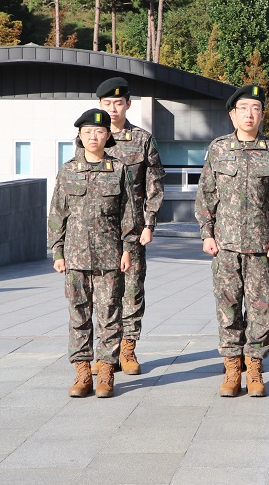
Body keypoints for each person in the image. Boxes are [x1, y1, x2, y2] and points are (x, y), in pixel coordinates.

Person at [195, 84, 269, 397]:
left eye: (255, 109)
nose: (249, 115)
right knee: (228, 308)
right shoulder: (219, 149)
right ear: (232, 115)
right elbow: (206, 193)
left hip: (262, 246)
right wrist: (207, 233)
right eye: (243, 109)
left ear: (262, 115)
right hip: (225, 246)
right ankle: (231, 368)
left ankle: (254, 367)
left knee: (261, 308)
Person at [48, 108, 140, 399]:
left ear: (108, 135)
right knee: (78, 315)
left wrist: (128, 249)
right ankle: (82, 373)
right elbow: (57, 213)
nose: (93, 137)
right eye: (87, 132)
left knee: (109, 315)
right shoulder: (68, 170)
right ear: (79, 135)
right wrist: (57, 251)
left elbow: (129, 214)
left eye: (99, 132)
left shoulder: (119, 170)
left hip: (109, 256)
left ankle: (107, 371)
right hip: (76, 257)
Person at [95, 77, 165, 375]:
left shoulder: (142, 139)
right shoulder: (91, 136)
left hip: (132, 229)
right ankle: (105, 352)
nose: (112, 109)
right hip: (99, 230)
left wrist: (150, 223)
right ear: (100, 105)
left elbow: (154, 183)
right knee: (103, 293)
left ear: (128, 105)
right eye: (107, 103)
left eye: (118, 103)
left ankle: (128, 348)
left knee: (132, 289)